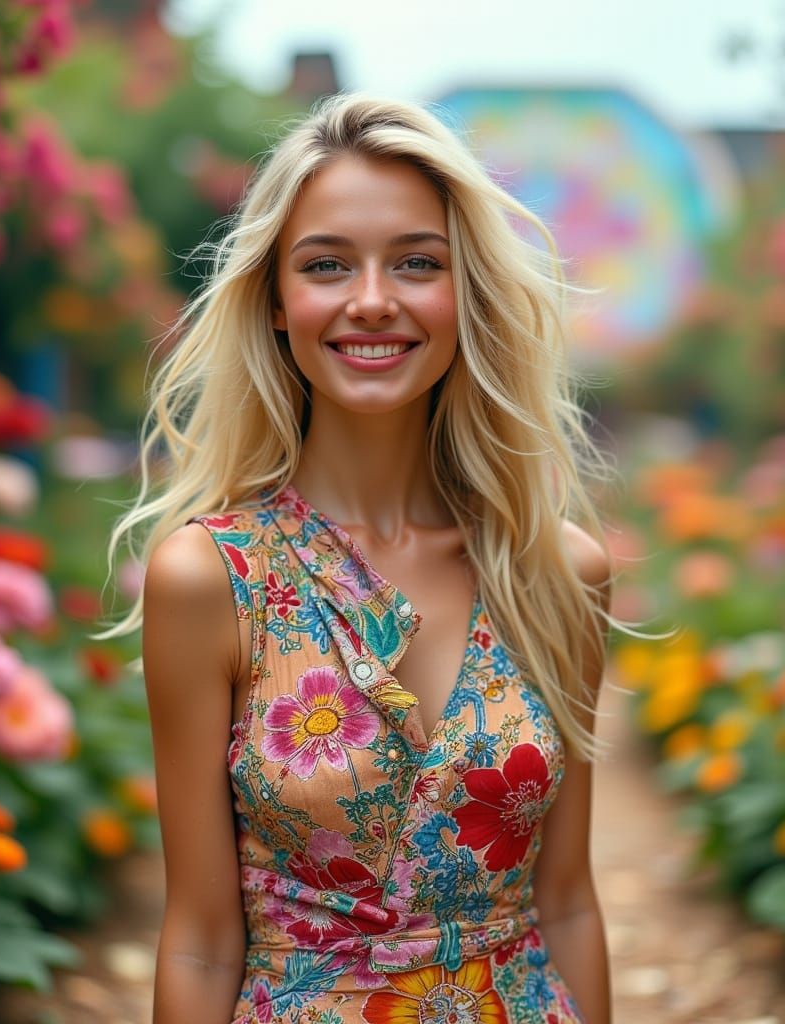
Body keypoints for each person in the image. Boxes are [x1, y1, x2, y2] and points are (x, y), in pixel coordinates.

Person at [104, 92, 618, 1024]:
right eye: (327, 264)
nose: (372, 299)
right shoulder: (211, 579)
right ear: (274, 302)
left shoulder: (558, 572)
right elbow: (199, 937)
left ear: (469, 296)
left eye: (418, 263)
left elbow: (568, 899)